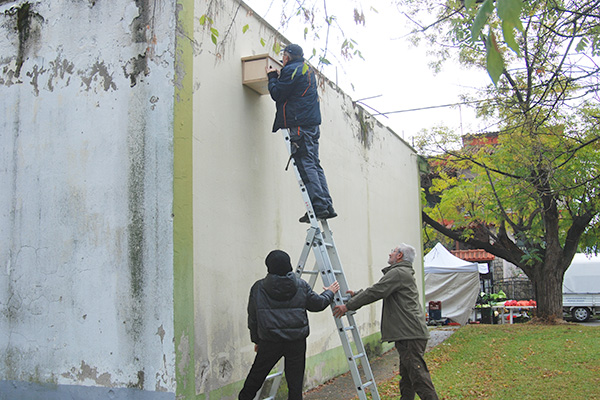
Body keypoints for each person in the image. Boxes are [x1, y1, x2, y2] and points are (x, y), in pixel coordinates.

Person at [332, 244, 439, 400]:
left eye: (393, 251)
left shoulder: (398, 273)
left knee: (419, 377)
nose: (390, 254)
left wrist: (348, 306)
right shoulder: (402, 273)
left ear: (400, 255)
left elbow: (376, 291)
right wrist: (357, 294)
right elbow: (381, 290)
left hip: (410, 334)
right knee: (408, 378)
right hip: (410, 333)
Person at [239, 250, 340, 400]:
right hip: (296, 342)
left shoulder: (258, 288)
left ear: (269, 267)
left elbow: (253, 318)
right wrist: (330, 292)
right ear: (289, 265)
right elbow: (318, 304)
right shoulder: (301, 285)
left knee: (254, 379)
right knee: (295, 385)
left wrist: (256, 341)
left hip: (269, 341)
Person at [266, 43, 336, 223]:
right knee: (314, 163)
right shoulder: (306, 70)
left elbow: (277, 94)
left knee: (305, 163)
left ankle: (318, 205)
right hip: (311, 125)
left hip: (299, 125)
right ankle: (326, 205)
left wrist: (272, 77)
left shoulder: (291, 70)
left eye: (283, 56)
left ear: (287, 57)